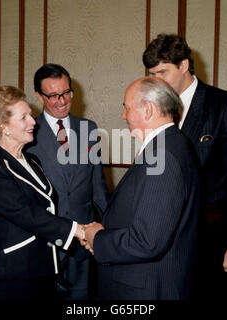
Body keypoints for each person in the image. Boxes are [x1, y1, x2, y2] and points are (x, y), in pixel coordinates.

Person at [143, 33, 227, 298]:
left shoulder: (226, 105)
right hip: (163, 238)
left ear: (184, 65)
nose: (156, 81)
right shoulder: (153, 108)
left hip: (211, 237)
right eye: (152, 74)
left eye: (162, 72)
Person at [83, 77, 201, 300]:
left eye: (126, 108)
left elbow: (147, 241)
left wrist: (97, 238)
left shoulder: (164, 155)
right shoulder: (171, 144)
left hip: (146, 289)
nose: (123, 115)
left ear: (148, 110)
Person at [0, 85, 86, 301]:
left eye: (30, 116)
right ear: (3, 126)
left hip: (41, 268)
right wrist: (78, 231)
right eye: (24, 117)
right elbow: (24, 212)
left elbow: (48, 208)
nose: (33, 121)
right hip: (9, 275)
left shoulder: (32, 160)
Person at [27, 63, 109, 300]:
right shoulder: (28, 132)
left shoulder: (88, 128)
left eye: (66, 92)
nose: (62, 100)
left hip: (83, 243)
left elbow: (98, 185)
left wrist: (108, 228)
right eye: (53, 95)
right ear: (39, 96)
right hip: (45, 241)